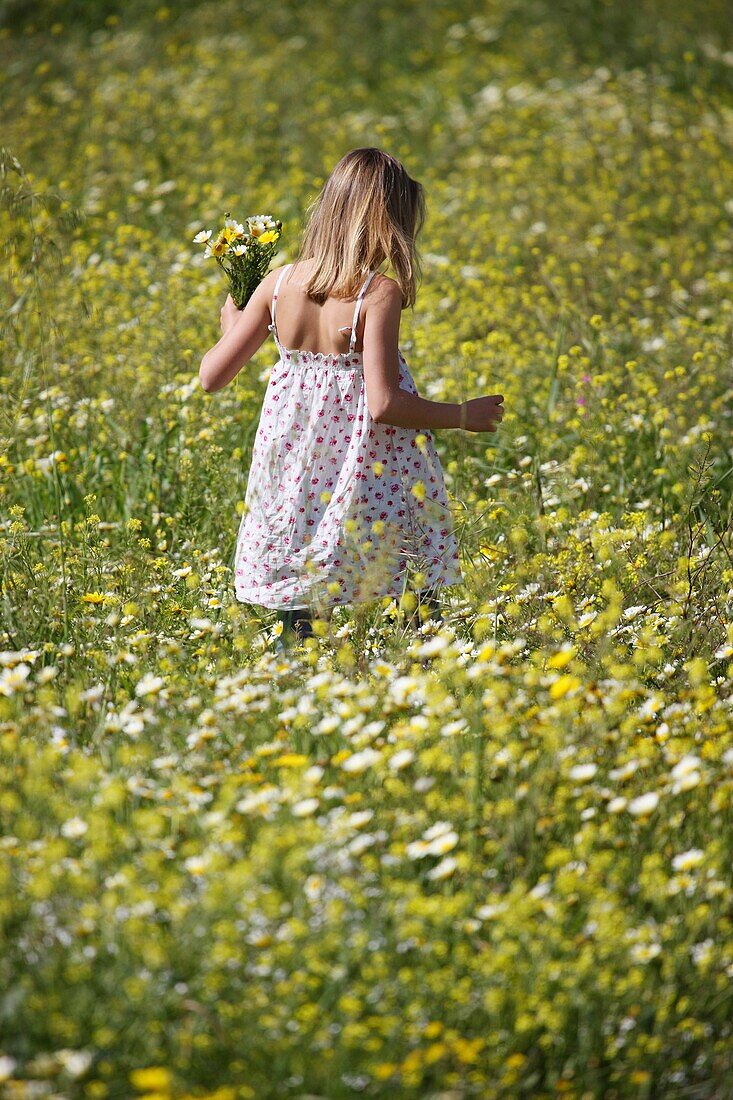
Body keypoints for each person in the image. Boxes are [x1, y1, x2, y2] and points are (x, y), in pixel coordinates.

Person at [198, 148, 504, 644]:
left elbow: (212, 376)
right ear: (385, 224)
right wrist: (461, 414)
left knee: (306, 562)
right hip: (369, 464)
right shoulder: (376, 293)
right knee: (407, 564)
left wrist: (232, 321)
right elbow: (383, 403)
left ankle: (299, 677)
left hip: (298, 463)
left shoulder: (277, 285)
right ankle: (422, 663)